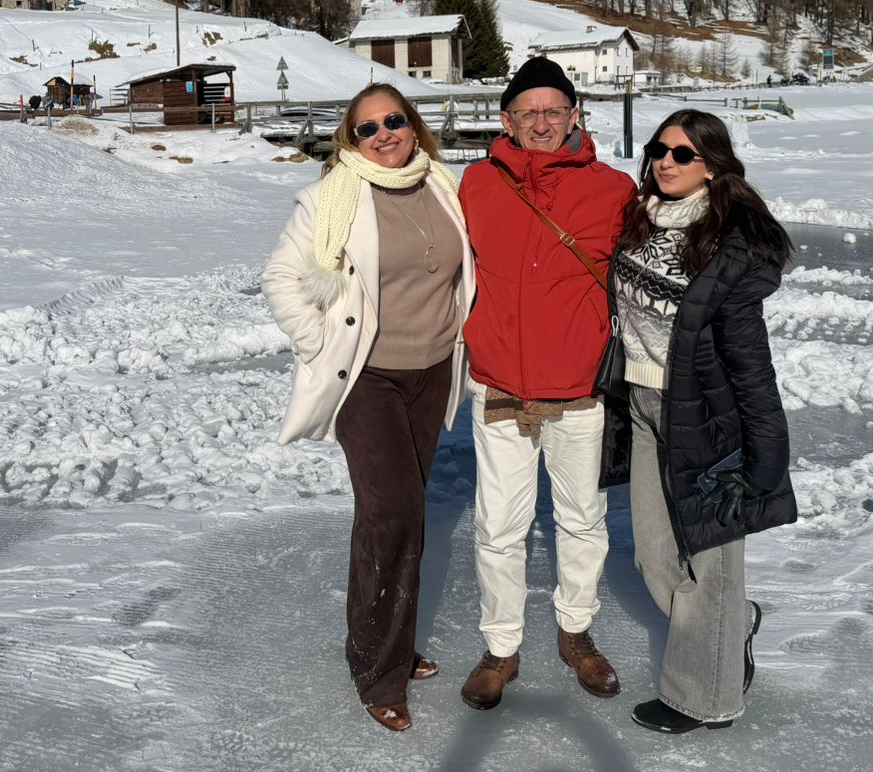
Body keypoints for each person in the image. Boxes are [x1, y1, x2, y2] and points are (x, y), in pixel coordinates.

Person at [261, 83, 476, 733]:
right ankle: (379, 670)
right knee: (393, 513)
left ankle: (391, 642)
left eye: (394, 121)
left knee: (404, 514)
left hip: (432, 373)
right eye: (367, 128)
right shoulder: (332, 198)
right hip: (367, 378)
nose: (384, 135)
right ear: (350, 140)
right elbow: (282, 279)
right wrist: (318, 341)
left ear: (414, 125)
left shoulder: (442, 183)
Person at [602, 108, 797, 734]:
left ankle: (703, 699)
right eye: (659, 150)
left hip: (710, 419)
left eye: (683, 154)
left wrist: (765, 455)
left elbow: (750, 361)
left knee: (710, 571)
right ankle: (732, 627)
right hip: (642, 405)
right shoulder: (639, 218)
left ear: (712, 165)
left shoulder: (727, 244)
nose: (666, 162)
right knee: (654, 559)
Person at [456, 58, 635, 711]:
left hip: (580, 390)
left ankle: (575, 632)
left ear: (574, 117)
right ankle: (501, 647)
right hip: (500, 388)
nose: (541, 122)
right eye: (527, 112)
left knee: (583, 520)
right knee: (498, 527)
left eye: (553, 111)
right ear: (506, 120)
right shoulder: (475, 184)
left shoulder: (613, 190)